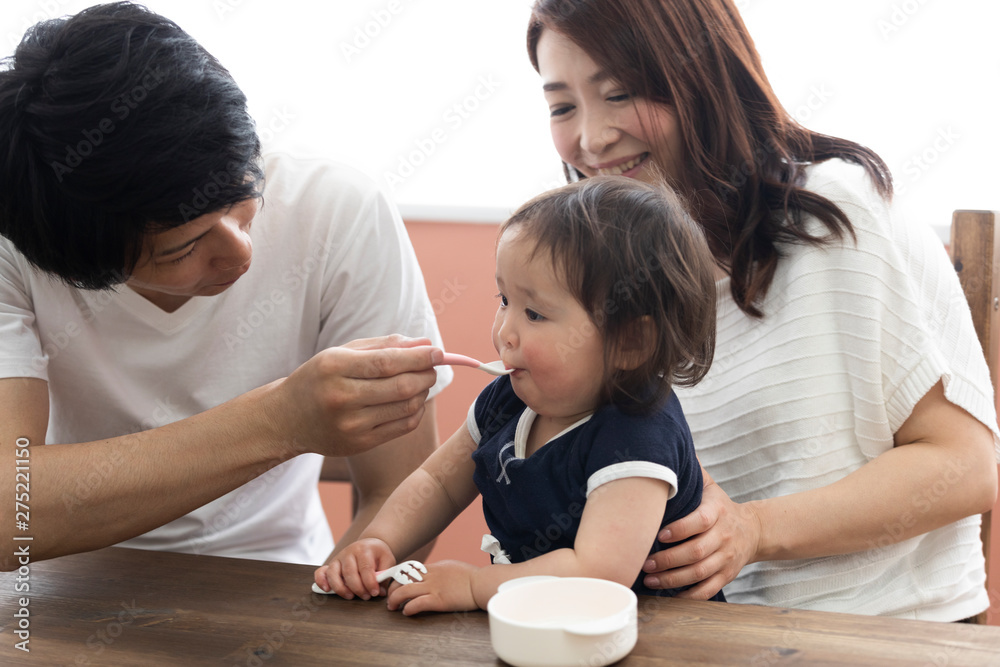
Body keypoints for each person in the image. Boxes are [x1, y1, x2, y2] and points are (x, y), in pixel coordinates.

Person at [525, 0, 1000, 621]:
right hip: (703, 639)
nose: (590, 138)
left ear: (701, 76)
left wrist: (752, 529)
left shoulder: (836, 214)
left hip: (887, 635)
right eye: (563, 106)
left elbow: (966, 468)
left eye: (621, 93)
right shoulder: (602, 278)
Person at [0, 2, 453, 570]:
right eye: (181, 249)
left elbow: (400, 494)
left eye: (244, 193)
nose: (242, 251)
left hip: (278, 577)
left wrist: (317, 611)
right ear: (78, 269)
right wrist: (279, 421)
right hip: (62, 592)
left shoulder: (339, 209)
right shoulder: (16, 246)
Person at [313, 175, 724, 614]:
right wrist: (379, 541)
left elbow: (597, 574)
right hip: (542, 627)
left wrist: (476, 585)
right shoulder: (507, 400)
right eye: (503, 299)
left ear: (630, 343)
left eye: (534, 313)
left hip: (657, 640)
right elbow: (437, 484)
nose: (504, 332)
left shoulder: (638, 436)